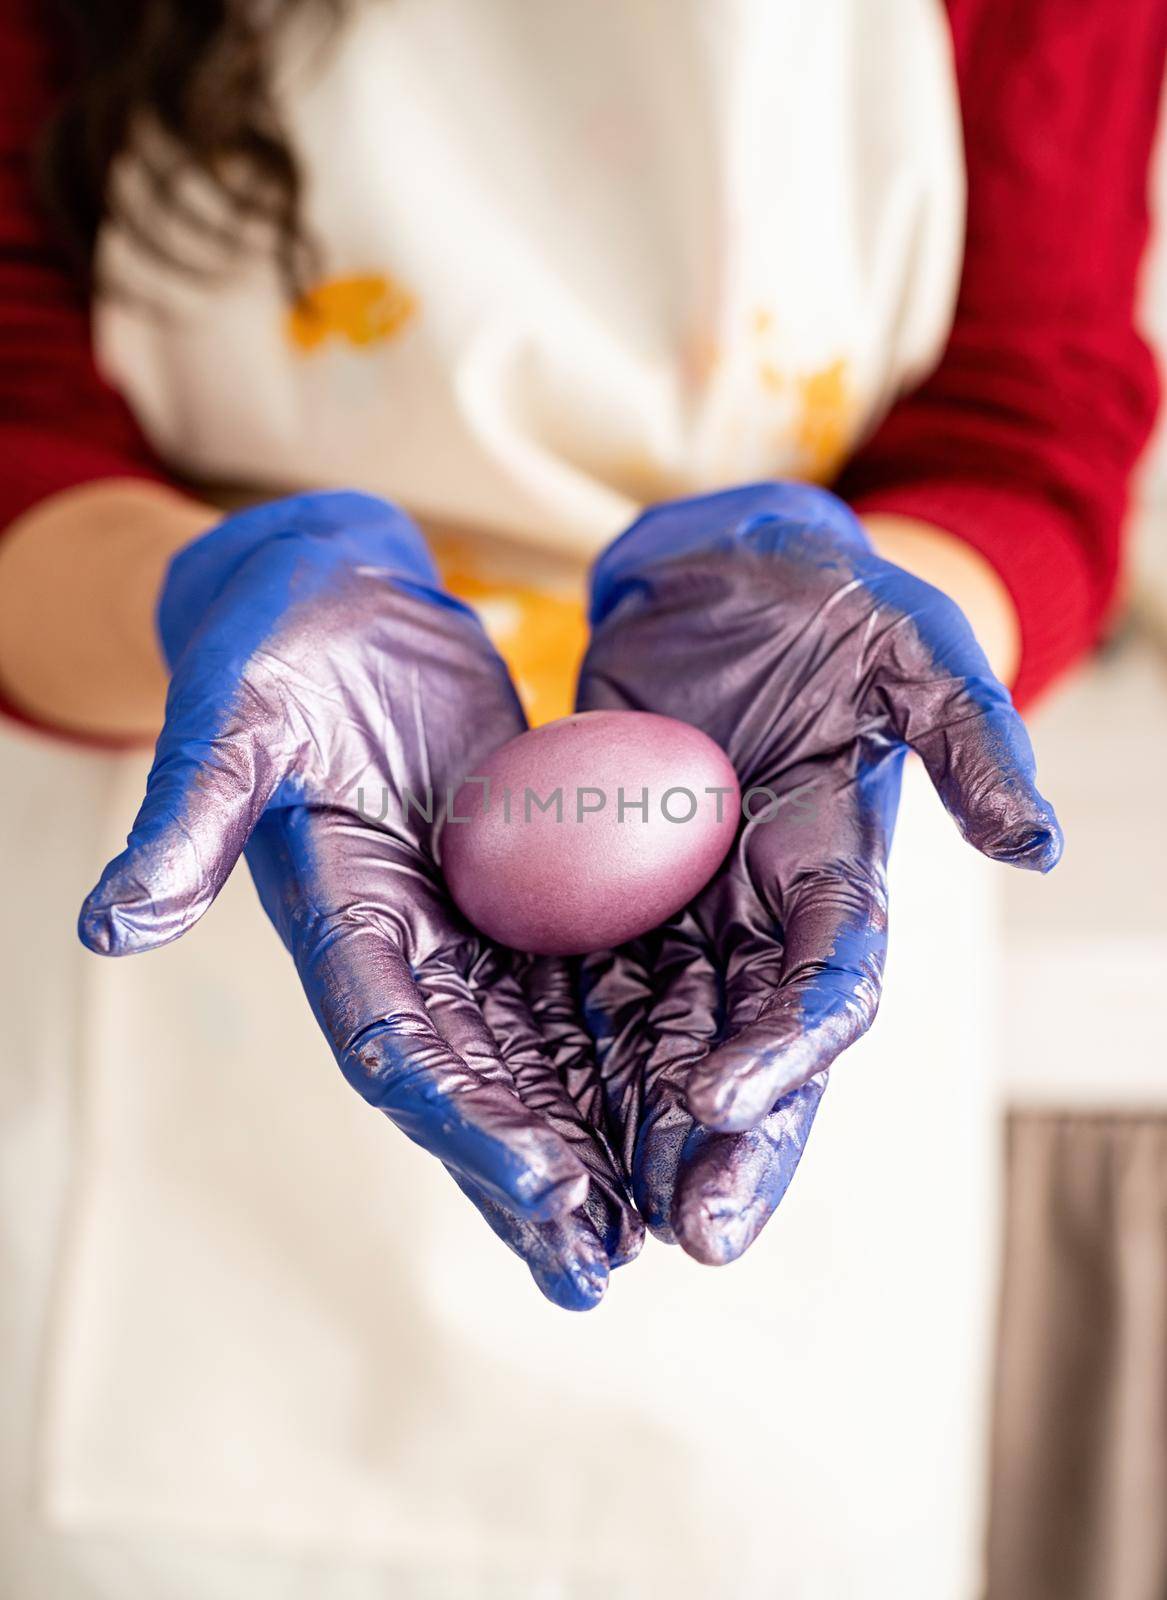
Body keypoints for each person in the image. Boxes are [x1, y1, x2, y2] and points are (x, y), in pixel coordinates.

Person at [0, 1, 1161, 1595]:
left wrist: (863, 626)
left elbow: (1033, 404)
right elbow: (15, 389)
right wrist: (204, 599)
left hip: (777, 861)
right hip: (225, 813)